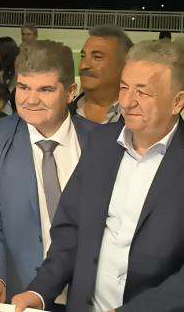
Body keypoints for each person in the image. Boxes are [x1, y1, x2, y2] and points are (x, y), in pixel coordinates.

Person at [12, 40, 184, 312]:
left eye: (143, 92)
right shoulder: (101, 143)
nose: (128, 102)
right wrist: (40, 291)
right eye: (124, 88)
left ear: (177, 102)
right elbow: (70, 231)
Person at [0, 40, 94, 311]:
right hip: (21, 292)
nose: (30, 99)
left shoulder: (100, 141)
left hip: (89, 293)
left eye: (45, 89)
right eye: (24, 87)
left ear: (71, 92)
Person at [72, 24, 133, 124]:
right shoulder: (61, 115)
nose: (83, 66)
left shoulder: (141, 122)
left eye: (97, 57)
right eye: (83, 56)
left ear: (125, 64)